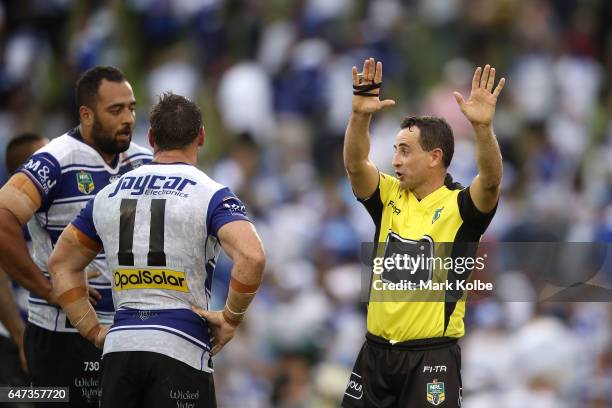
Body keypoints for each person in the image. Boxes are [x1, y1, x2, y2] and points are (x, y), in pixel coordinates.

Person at [48, 92, 265, 408]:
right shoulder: (211, 194)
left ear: (150, 138)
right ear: (200, 136)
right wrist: (231, 318)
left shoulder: (107, 195)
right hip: (181, 348)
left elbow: (61, 265)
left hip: (120, 349)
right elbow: (253, 256)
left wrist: (93, 330)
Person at [342, 58, 504, 407]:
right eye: (395, 151)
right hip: (376, 353)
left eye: (404, 151)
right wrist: (359, 116)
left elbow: (490, 182)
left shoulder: (460, 207)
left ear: (434, 157)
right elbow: (355, 165)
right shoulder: (388, 196)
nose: (395, 160)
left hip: (431, 359)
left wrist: (482, 129)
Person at [0, 66, 152, 407]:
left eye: (131, 107)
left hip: (126, 333)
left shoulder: (144, 162)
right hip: (63, 337)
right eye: (115, 110)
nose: (127, 118)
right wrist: (47, 289)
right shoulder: (55, 161)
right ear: (86, 114)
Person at [0, 133, 49, 390]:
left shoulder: (54, 211)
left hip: (50, 337)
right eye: (46, 157)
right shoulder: (7, 217)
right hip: (12, 340)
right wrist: (21, 338)